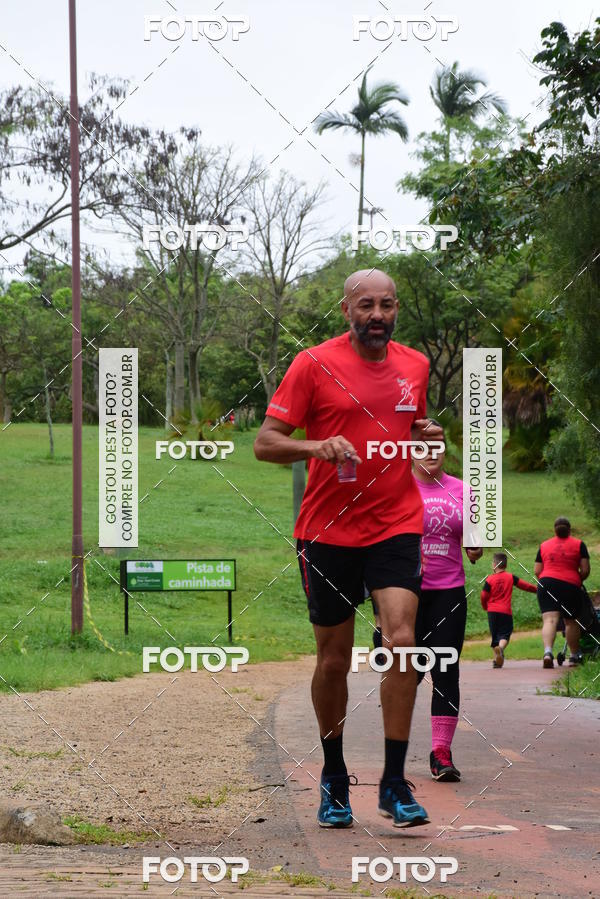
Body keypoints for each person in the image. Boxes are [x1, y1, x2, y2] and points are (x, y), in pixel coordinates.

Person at [254, 269, 443, 829]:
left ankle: (392, 783)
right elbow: (266, 444)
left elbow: (408, 432)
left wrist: (424, 437)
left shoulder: (416, 364)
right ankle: (334, 777)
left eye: (386, 305)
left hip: (396, 521)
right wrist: (317, 444)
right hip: (328, 529)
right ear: (346, 310)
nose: (377, 315)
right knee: (333, 659)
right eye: (366, 305)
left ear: (397, 309)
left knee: (403, 641)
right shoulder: (312, 364)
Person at [405, 427, 482, 782]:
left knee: (446, 670)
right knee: (405, 674)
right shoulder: (398, 490)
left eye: (437, 446)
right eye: (423, 446)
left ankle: (441, 754)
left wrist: (477, 543)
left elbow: (474, 548)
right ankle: (396, 758)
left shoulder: (463, 490)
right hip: (406, 594)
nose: (431, 452)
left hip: (448, 592)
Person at [535, 517, 590, 668]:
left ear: (555, 530)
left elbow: (537, 570)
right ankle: (573, 656)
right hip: (570, 585)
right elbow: (585, 570)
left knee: (549, 620)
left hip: (547, 583)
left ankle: (547, 652)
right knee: (571, 621)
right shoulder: (579, 544)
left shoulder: (544, 545)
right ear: (569, 530)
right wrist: (576, 579)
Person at [480, 553, 537, 668]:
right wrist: (537, 590)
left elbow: (483, 595)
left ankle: (497, 660)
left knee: (495, 635)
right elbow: (524, 585)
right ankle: (500, 649)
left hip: (492, 611)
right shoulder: (511, 577)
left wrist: (485, 607)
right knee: (505, 634)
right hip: (505, 611)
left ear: (495, 565)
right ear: (505, 565)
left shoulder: (489, 579)